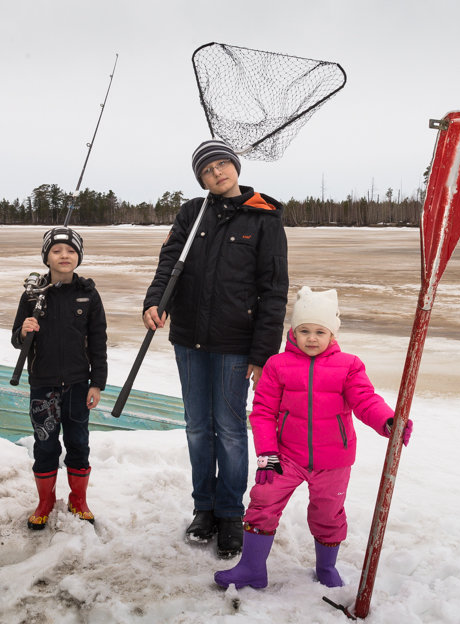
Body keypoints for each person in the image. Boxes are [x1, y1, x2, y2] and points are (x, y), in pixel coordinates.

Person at [143, 139, 289, 559]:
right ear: (201, 179)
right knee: (196, 428)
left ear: (235, 167)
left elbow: (273, 289)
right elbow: (169, 262)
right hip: (189, 338)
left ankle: (229, 514)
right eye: (208, 170)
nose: (217, 173)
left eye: (223, 164)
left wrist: (262, 354)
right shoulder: (193, 212)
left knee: (228, 430)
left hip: (233, 344)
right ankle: (203, 508)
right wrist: (154, 302)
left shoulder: (264, 216)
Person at [214, 286, 413, 589]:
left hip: (333, 459)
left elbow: (365, 400)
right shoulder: (277, 365)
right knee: (263, 501)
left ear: (333, 334)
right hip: (286, 455)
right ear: (293, 331)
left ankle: (326, 567)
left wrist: (388, 422)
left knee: (328, 514)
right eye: (304, 330)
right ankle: (252, 569)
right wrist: (267, 455)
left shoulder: (348, 366)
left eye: (320, 331)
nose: (311, 338)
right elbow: (263, 412)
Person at [11, 227, 108, 530]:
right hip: (44, 384)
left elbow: (98, 342)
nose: (64, 256)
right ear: (46, 257)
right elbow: (17, 339)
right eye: (56, 251)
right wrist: (24, 331)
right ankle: (45, 501)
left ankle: (78, 500)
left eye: (70, 251)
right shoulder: (32, 295)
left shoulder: (89, 295)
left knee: (79, 443)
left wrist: (97, 382)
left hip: (79, 384)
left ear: (78, 256)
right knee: (46, 445)